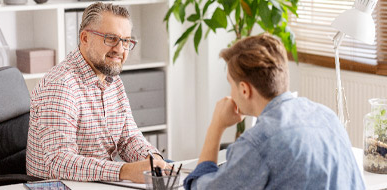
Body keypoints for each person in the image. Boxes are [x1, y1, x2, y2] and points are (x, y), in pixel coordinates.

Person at [184, 34, 365, 189]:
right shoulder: (326, 116)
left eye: (231, 85)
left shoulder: (259, 142)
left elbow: (200, 187)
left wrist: (216, 127)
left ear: (244, 90)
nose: (230, 93)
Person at [26, 2, 168, 183]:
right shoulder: (61, 85)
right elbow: (59, 162)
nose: (120, 49)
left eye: (126, 41)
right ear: (85, 38)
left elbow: (128, 138)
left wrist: (153, 160)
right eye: (111, 39)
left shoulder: (112, 79)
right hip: (62, 185)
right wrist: (125, 171)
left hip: (98, 183)